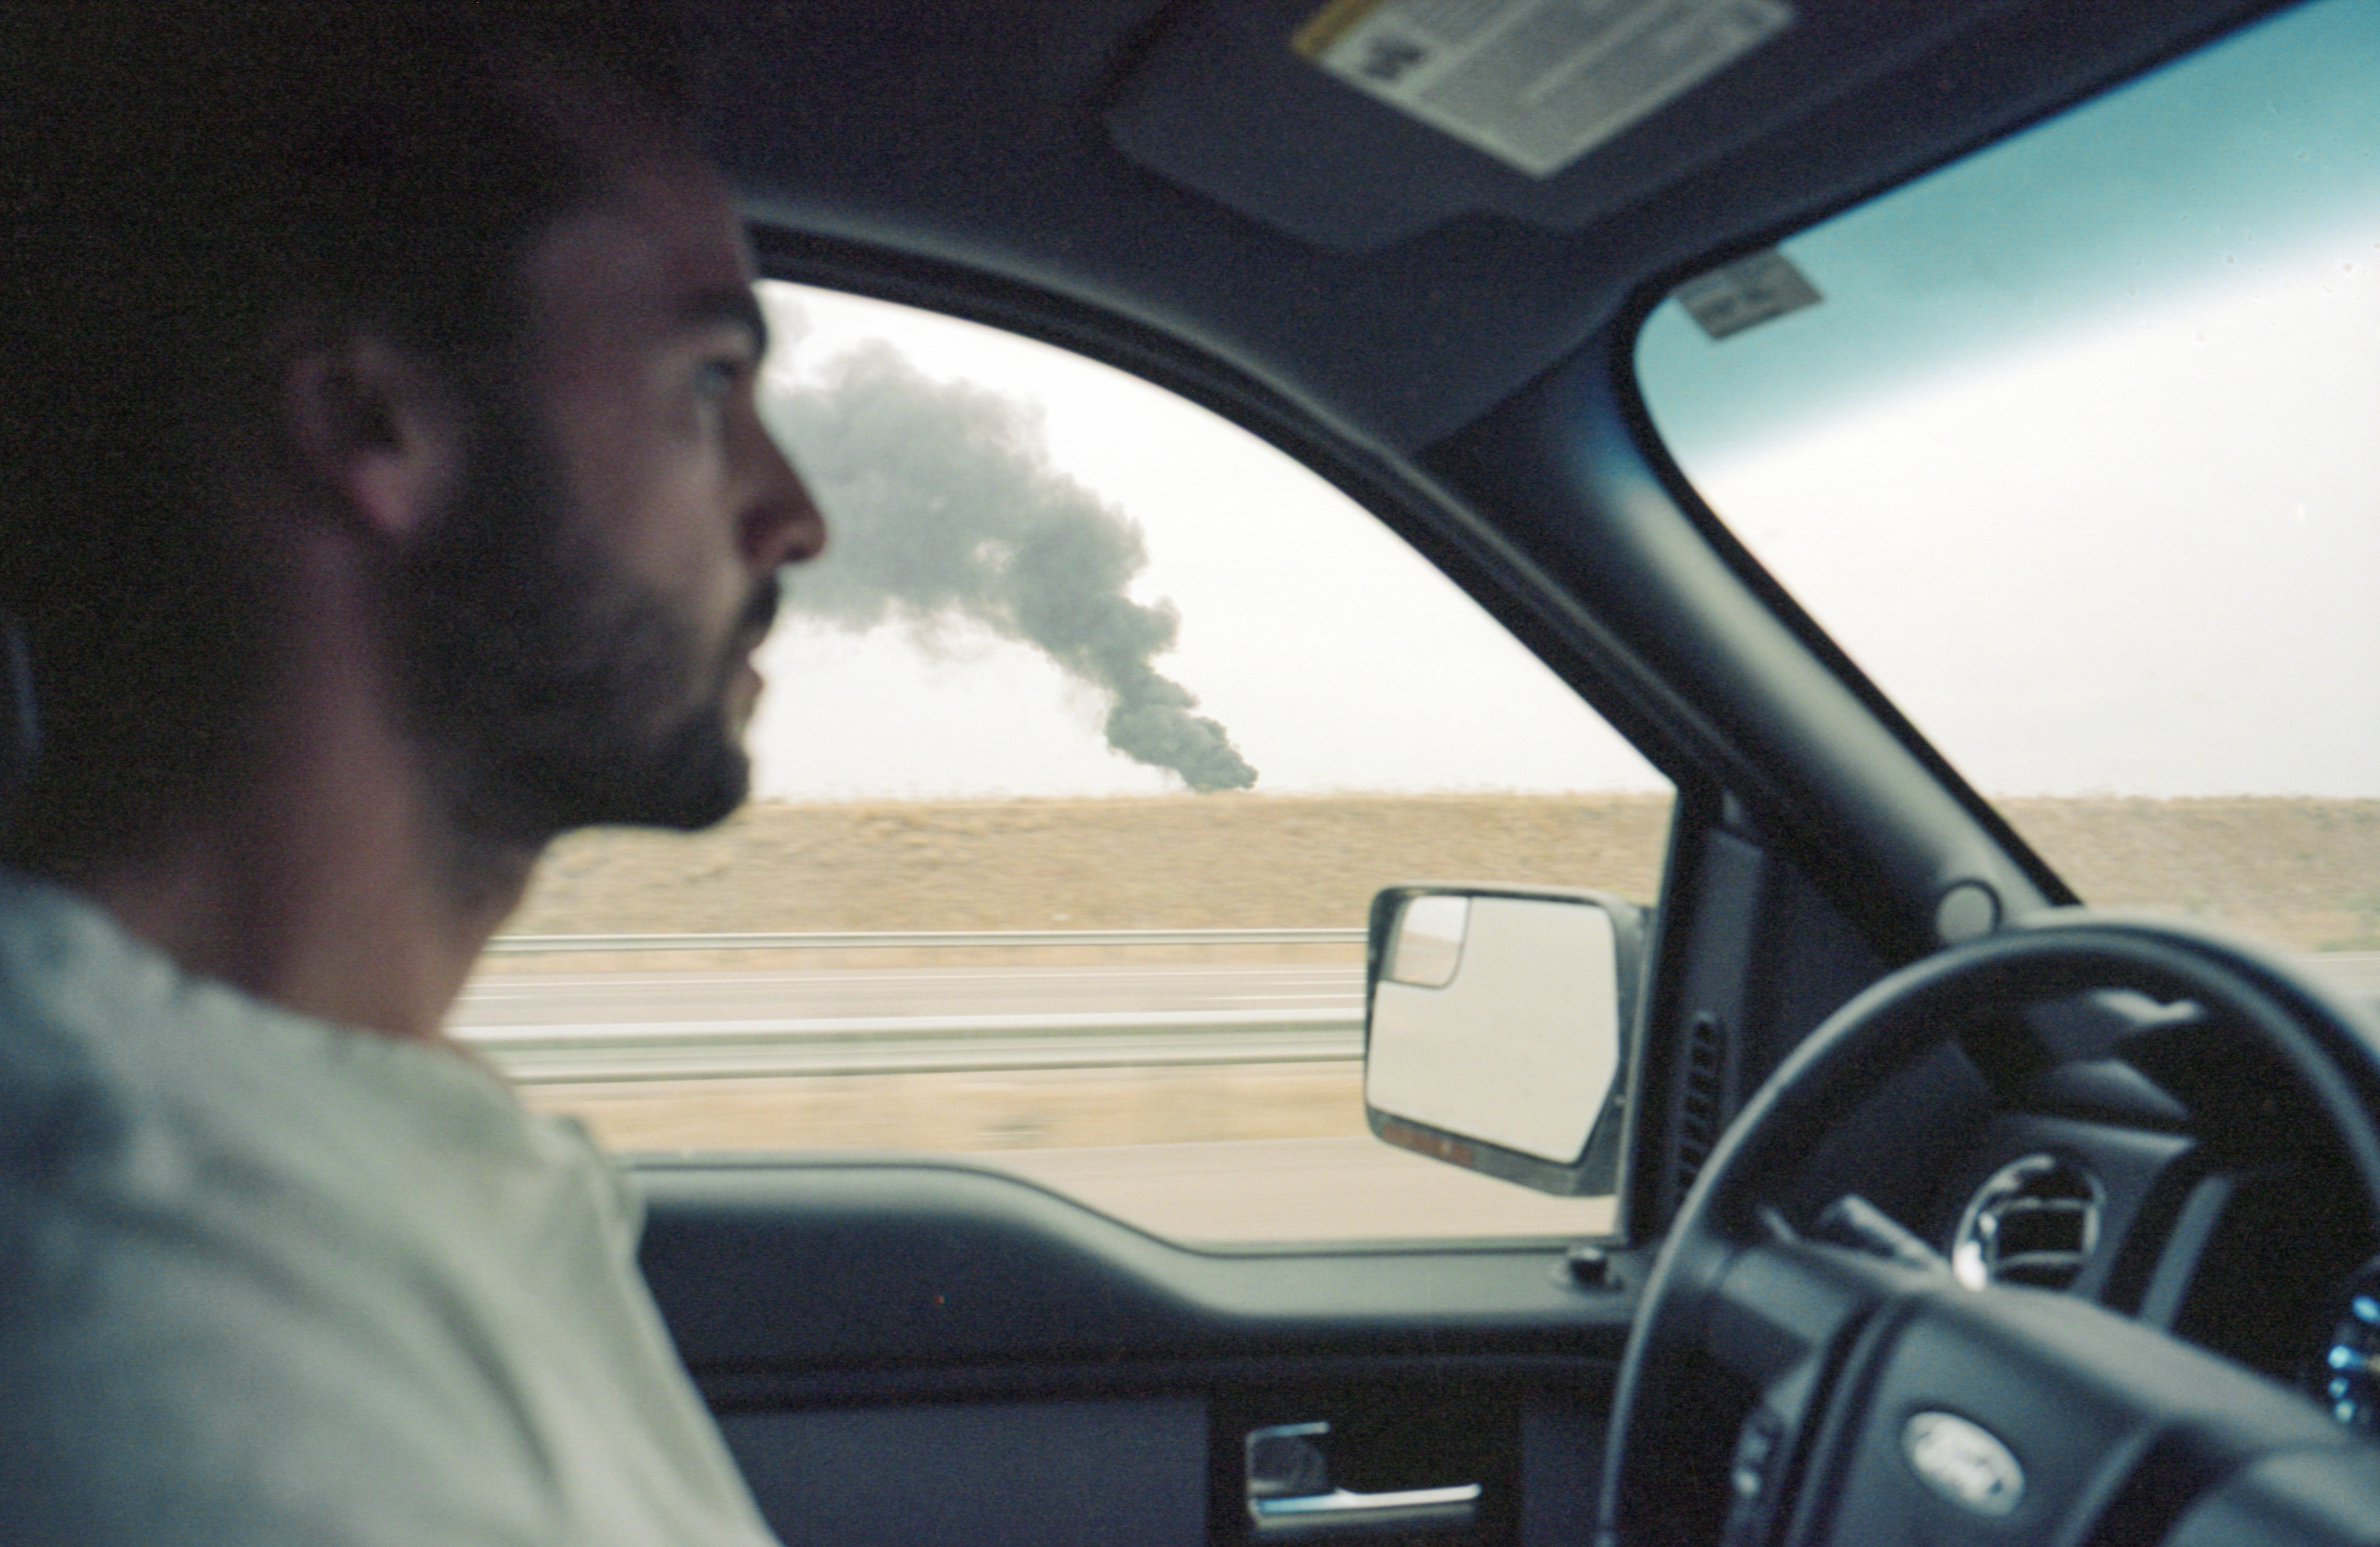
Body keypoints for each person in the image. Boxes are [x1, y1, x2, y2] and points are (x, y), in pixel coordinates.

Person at [0, 2, 822, 1539]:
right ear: (371, 423)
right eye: (709, 385)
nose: (793, 515)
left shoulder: (310, 1139)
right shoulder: (155, 1332)